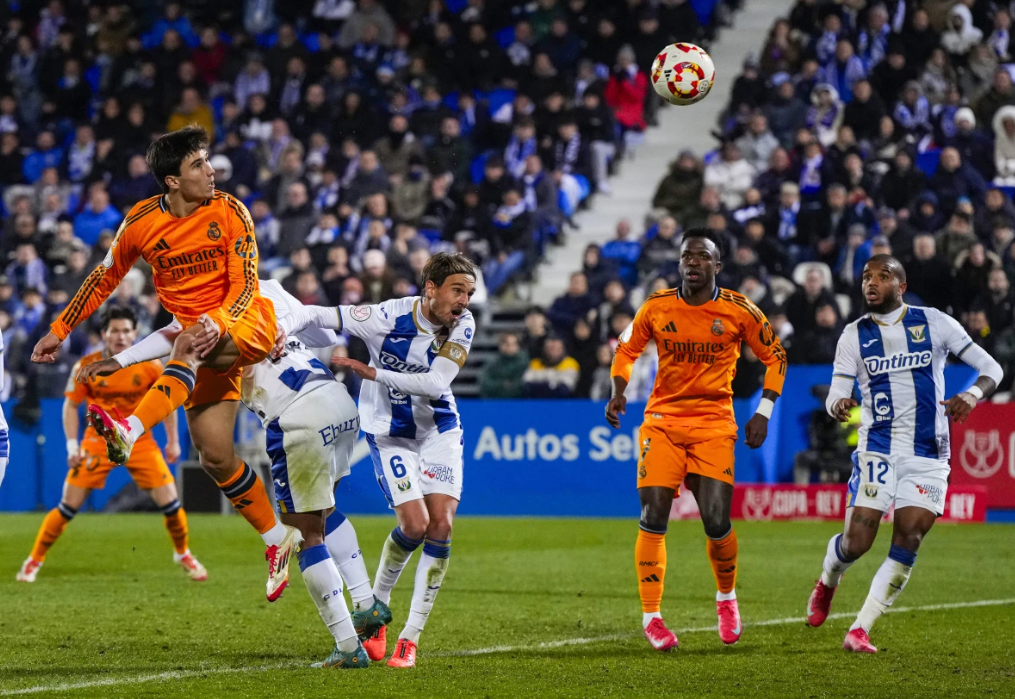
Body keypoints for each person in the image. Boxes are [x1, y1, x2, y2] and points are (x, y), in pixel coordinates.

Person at [30, 127, 298, 602]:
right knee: (214, 455)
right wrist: (61, 329)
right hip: (198, 338)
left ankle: (129, 431)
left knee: (187, 344)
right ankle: (277, 540)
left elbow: (244, 281)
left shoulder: (231, 209)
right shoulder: (140, 222)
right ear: (172, 181)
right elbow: (103, 276)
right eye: (198, 165)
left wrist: (217, 321)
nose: (211, 171)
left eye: (208, 161)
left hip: (245, 319)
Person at [91, 281, 381, 669]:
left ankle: (348, 647)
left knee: (305, 534)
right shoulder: (270, 289)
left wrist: (123, 358)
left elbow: (178, 338)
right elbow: (326, 333)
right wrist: (286, 326)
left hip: (298, 418)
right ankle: (367, 607)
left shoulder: (210, 306)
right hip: (339, 402)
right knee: (324, 512)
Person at [277, 252, 476, 668]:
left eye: (469, 293)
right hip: (388, 432)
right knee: (415, 525)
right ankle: (376, 609)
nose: (464, 300)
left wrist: (372, 374)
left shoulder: (464, 325)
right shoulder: (385, 316)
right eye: (458, 290)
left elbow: (437, 382)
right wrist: (281, 329)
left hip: (439, 429)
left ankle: (410, 638)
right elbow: (318, 314)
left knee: (441, 524)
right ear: (431, 289)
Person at [805, 255, 1003, 653]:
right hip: (877, 448)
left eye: (882, 276)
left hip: (928, 452)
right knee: (857, 543)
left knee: (909, 535)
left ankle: (861, 628)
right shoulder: (853, 335)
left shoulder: (934, 322)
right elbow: (837, 392)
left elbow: (992, 367)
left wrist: (970, 394)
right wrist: (838, 405)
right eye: (866, 277)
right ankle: (828, 579)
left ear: (901, 283)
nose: (871, 283)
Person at [606, 229, 788, 651]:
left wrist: (763, 411)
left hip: (713, 424)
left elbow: (775, 356)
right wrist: (618, 390)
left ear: (717, 266)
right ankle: (652, 617)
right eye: (687, 255)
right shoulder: (656, 305)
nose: (693, 262)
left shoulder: (738, 310)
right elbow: (626, 349)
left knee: (715, 520)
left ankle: (726, 597)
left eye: (702, 256)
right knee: (653, 513)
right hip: (663, 422)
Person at [16, 307, 203, 584]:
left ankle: (183, 553)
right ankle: (34, 560)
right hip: (97, 443)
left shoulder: (151, 366)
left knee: (172, 504)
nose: (121, 336)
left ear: (135, 333)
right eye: (114, 330)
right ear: (103, 334)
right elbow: (70, 407)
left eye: (126, 330)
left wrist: (173, 441)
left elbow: (168, 402)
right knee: (68, 507)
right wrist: (71, 447)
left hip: (139, 441)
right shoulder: (87, 366)